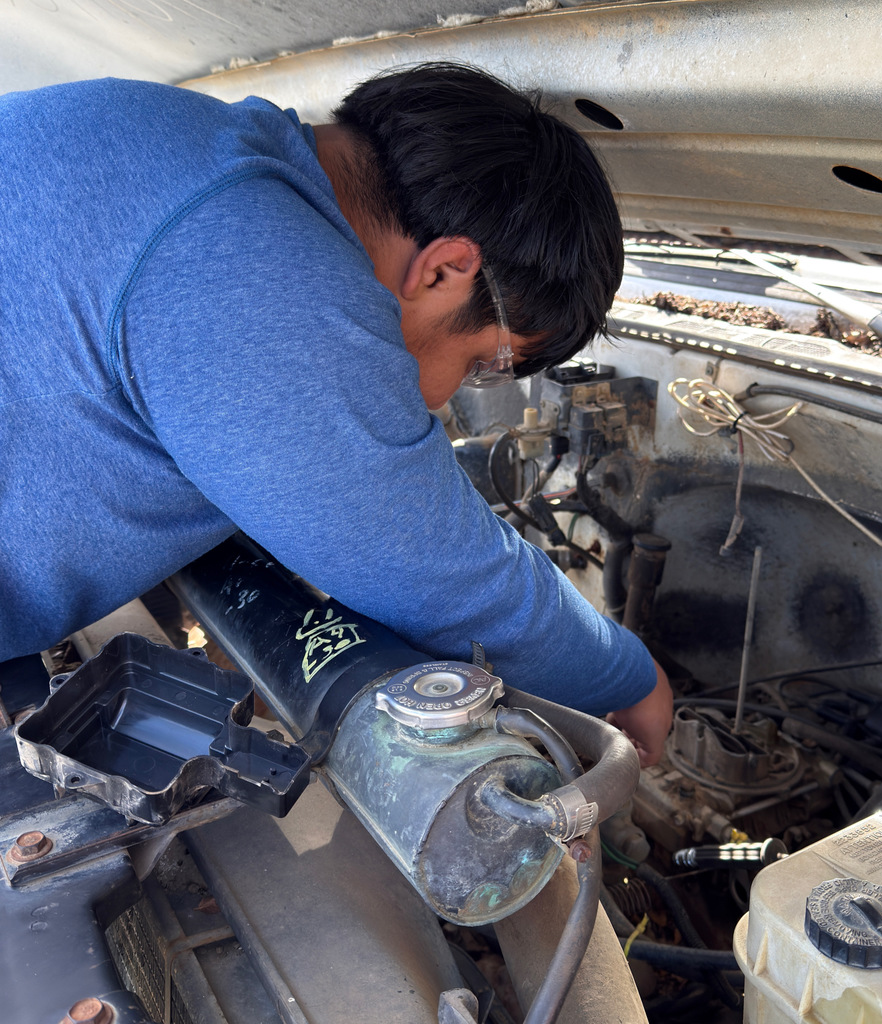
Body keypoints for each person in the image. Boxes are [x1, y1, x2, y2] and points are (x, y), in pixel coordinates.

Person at [0, 62, 672, 764]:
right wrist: (628, 676)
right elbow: (439, 573)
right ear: (444, 270)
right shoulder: (260, 259)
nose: (444, 398)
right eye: (484, 363)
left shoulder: (171, 133)